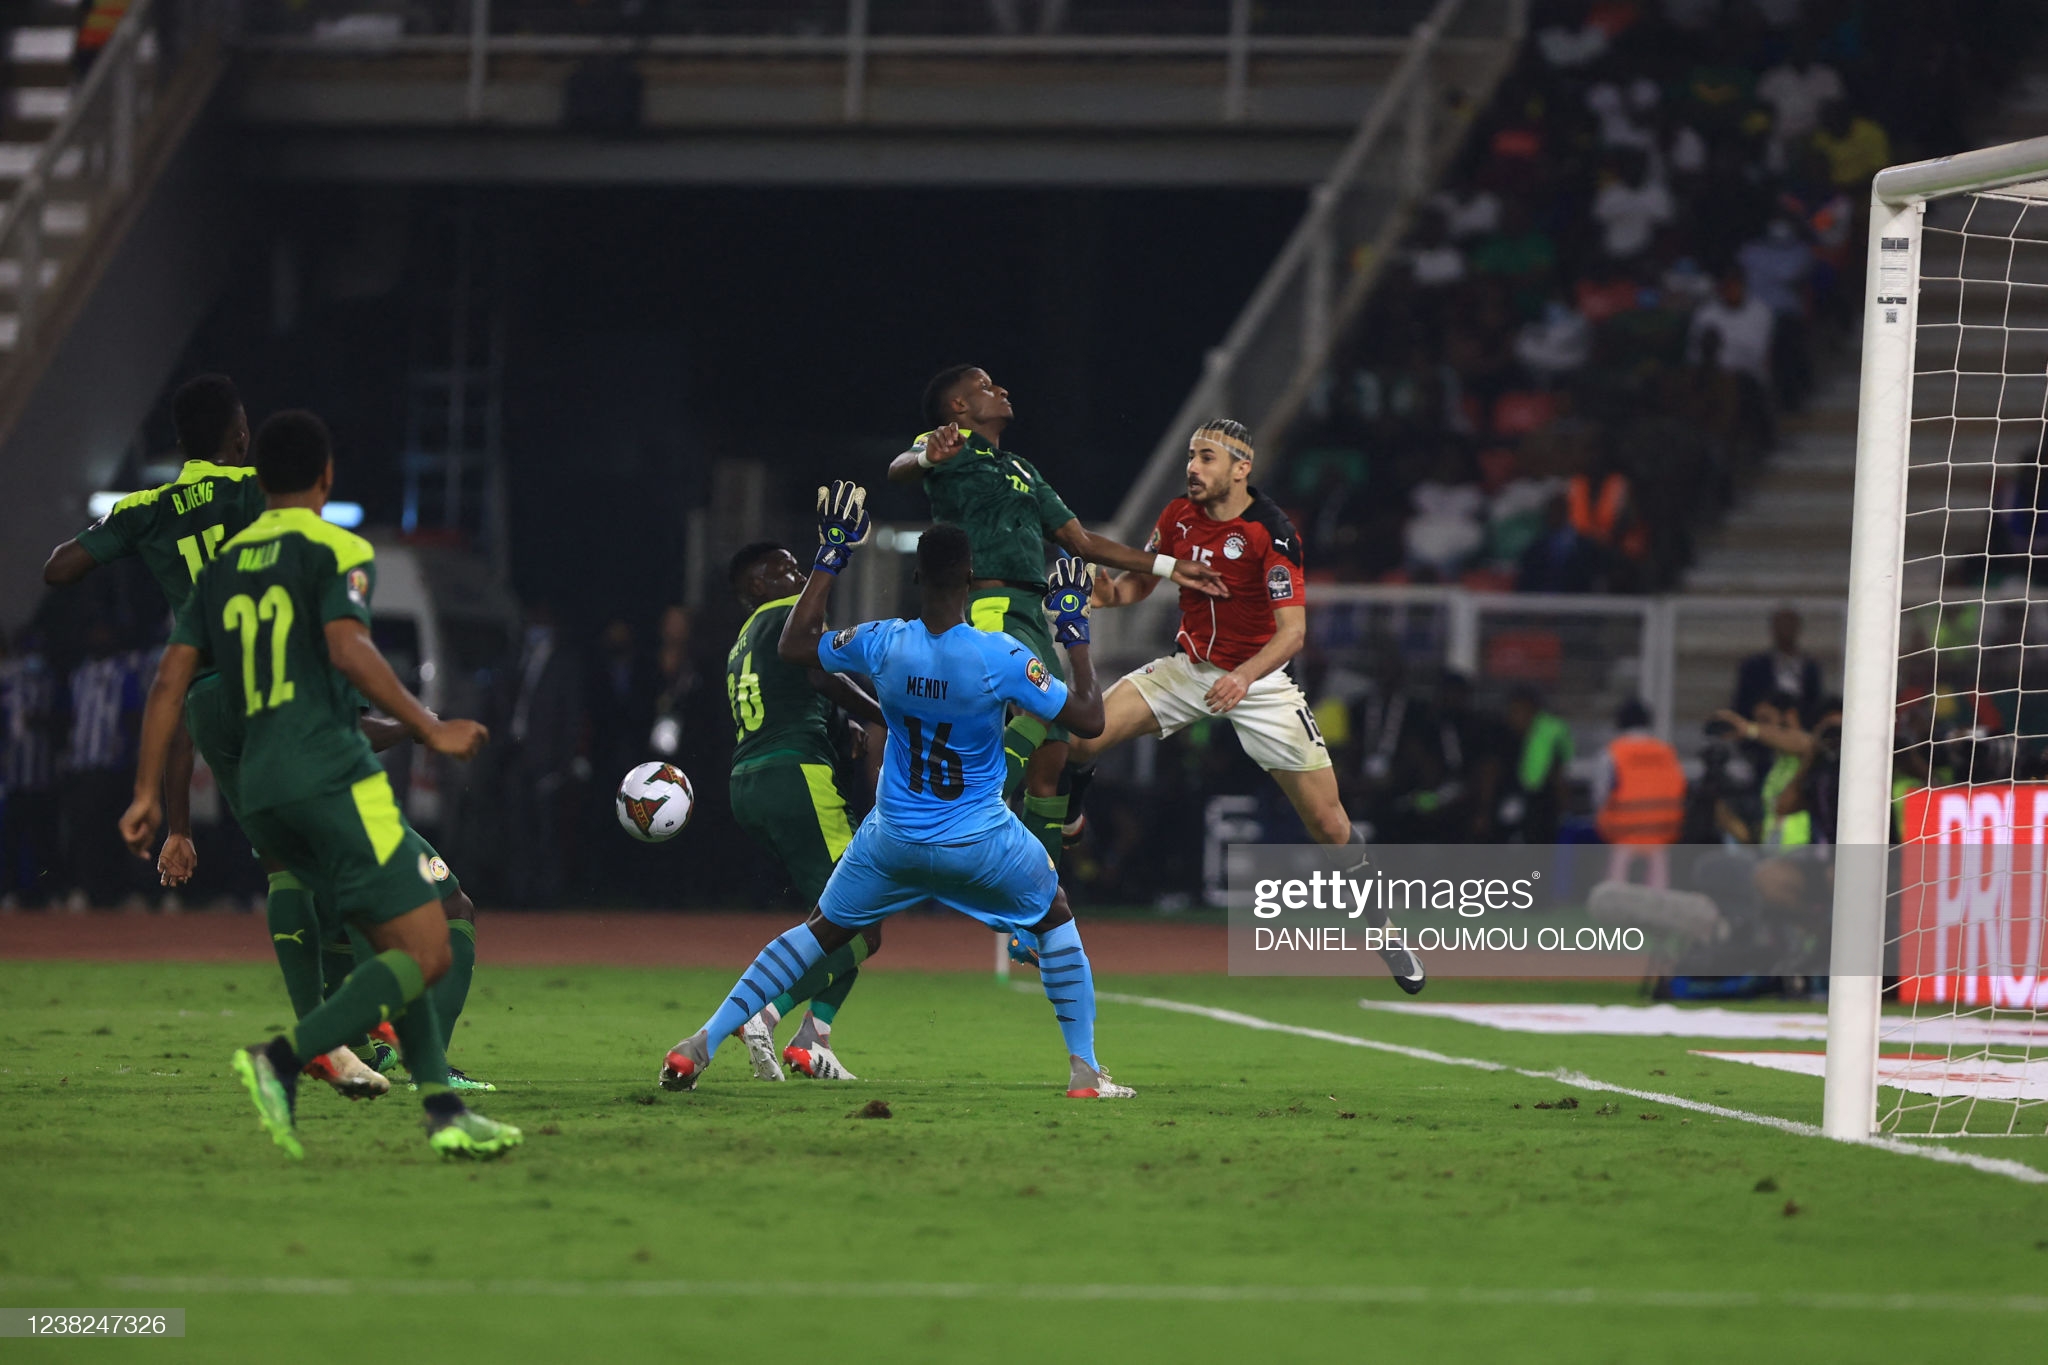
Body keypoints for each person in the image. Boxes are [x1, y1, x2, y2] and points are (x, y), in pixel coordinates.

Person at [45, 375, 492, 1094]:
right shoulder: (268, 506)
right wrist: (425, 727)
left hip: (208, 707)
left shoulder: (151, 511)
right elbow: (341, 663)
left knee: (297, 871)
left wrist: (170, 818)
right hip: (272, 695)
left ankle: (341, 1037)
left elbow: (60, 569)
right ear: (243, 438)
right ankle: (381, 1049)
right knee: (438, 904)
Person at [661, 485, 1134, 1098]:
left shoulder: (883, 641)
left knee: (818, 932)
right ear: (970, 577)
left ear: (915, 575)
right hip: (979, 837)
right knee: (1056, 916)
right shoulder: (1003, 654)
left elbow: (796, 645)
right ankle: (1084, 1072)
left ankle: (700, 1044)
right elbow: (1089, 720)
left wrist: (832, 555)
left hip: (892, 839)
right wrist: (1074, 632)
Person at [1063, 420, 1424, 993]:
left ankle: (1383, 932)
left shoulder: (1271, 533)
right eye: (1190, 456)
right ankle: (1072, 813)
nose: (1192, 468)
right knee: (1082, 735)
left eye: (1205, 457)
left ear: (1240, 467)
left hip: (1259, 683)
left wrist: (1244, 676)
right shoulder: (1177, 516)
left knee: (1330, 825)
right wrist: (1089, 589)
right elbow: (1130, 590)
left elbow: (1293, 633)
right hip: (1188, 669)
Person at [888, 365, 1225, 862]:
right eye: (985, 386)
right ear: (958, 407)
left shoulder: (1022, 469)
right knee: (1039, 710)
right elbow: (901, 466)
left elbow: (1081, 542)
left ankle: (1036, 907)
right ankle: (966, 803)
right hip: (990, 604)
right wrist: (924, 455)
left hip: (1032, 608)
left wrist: (1172, 567)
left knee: (1052, 763)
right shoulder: (949, 445)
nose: (1001, 389)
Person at [722, 541, 888, 1081]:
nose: (796, 574)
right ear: (756, 588)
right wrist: (887, 716)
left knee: (838, 917)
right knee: (860, 924)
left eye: (797, 565)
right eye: (782, 569)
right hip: (796, 777)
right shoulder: (785, 618)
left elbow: (793, 696)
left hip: (751, 782)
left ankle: (812, 1043)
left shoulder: (742, 642)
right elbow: (818, 676)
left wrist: (844, 730)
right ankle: (764, 1014)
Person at [1595, 699, 1685, 889]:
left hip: (1624, 829)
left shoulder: (1613, 752)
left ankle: (1614, 909)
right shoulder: (1665, 752)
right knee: (1659, 880)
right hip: (1661, 829)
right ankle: (1659, 909)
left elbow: (1600, 793)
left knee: (1617, 878)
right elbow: (1679, 787)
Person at [1732, 606, 1822, 724]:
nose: (1785, 630)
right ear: (1773, 628)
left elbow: (1815, 703)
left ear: (1798, 628)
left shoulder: (1810, 668)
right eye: (1781, 625)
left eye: (1790, 625)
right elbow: (1742, 704)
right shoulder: (1753, 666)